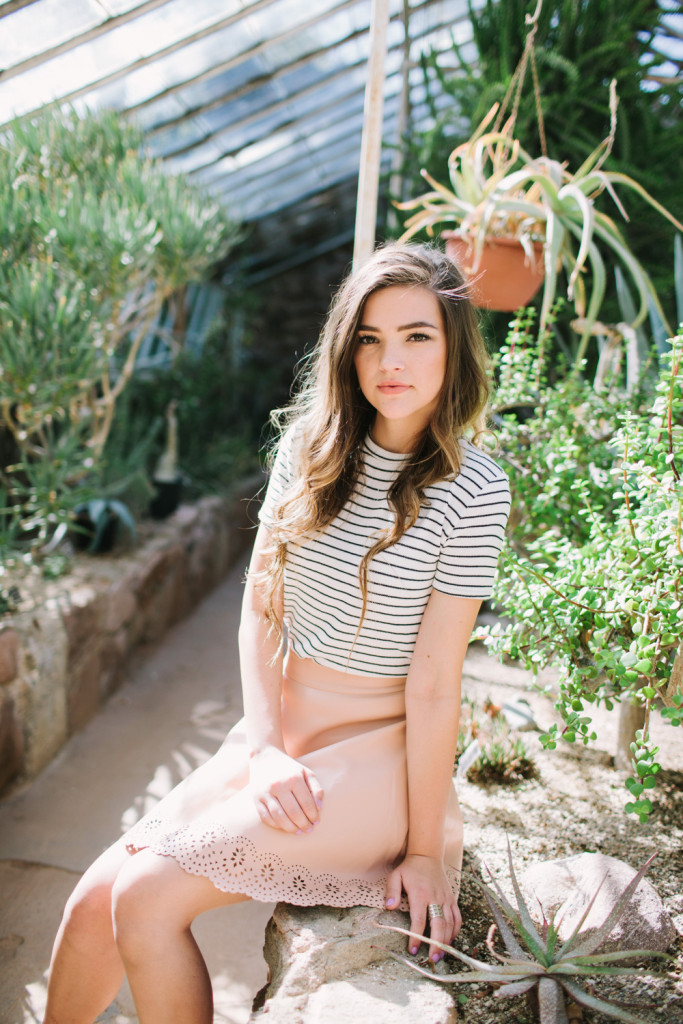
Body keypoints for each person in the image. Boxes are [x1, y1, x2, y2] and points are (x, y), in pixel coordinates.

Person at [43, 242, 511, 1024]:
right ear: (346, 349)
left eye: (415, 335)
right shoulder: (311, 448)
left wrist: (425, 851)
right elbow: (260, 607)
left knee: (147, 897)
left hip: (379, 756)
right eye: (369, 338)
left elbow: (434, 685)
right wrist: (263, 748)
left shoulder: (474, 488)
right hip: (283, 732)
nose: (389, 359)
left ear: (453, 346)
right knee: (92, 902)